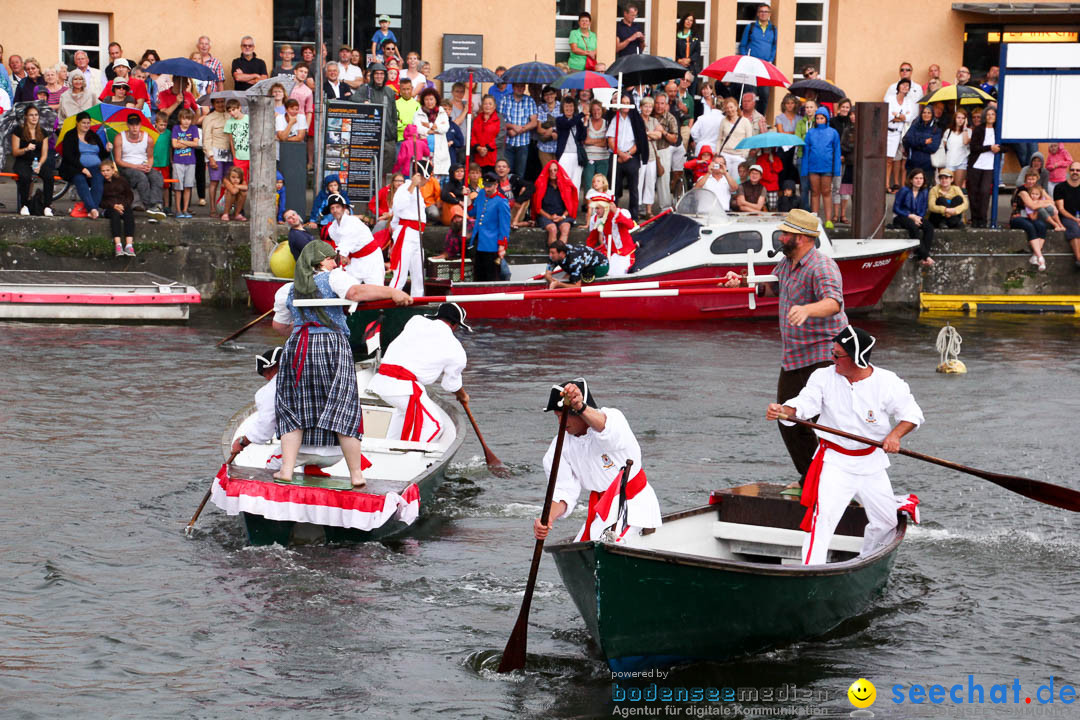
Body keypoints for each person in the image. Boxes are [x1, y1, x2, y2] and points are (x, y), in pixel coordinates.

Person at [766, 326, 924, 565]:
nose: (832, 359)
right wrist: (785, 411)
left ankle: (866, 559)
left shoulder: (888, 382)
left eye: (838, 355)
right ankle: (811, 572)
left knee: (887, 523)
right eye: (832, 352)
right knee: (822, 521)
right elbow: (805, 403)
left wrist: (895, 436)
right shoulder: (823, 377)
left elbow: (912, 415)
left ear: (857, 358)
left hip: (871, 463)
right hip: (835, 463)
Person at [724, 209, 848, 485]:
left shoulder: (822, 266)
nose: (781, 237)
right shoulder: (787, 262)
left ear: (803, 238)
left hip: (824, 354)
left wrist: (807, 310)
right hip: (795, 356)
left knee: (824, 423)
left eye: (786, 233)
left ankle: (834, 481)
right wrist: (743, 282)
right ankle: (813, 478)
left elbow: (834, 302)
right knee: (787, 417)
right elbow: (774, 289)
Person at [275, 241, 411, 486]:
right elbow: (355, 294)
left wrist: (305, 323)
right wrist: (392, 292)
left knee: (293, 407)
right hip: (331, 344)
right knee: (344, 404)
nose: (335, 263)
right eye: (331, 259)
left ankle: (286, 469)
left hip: (297, 347)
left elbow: (279, 326)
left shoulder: (286, 290)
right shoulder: (334, 277)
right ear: (320, 262)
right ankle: (356, 474)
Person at [532, 379, 662, 543]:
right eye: (557, 417)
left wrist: (581, 407)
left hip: (634, 507)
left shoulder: (613, 419)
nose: (561, 423)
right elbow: (564, 491)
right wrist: (547, 519)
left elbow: (607, 430)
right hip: (601, 511)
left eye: (564, 416)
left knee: (604, 552)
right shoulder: (560, 446)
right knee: (578, 553)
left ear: (580, 413)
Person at [366, 302, 469, 447]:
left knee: (402, 414)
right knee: (435, 426)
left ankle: (389, 447)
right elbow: (450, 385)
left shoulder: (415, 321)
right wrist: (462, 395)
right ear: (455, 325)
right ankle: (408, 459)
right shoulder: (456, 349)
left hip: (380, 382)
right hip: (403, 388)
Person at [325, 193, 385, 287]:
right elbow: (339, 245)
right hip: (354, 261)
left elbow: (343, 248)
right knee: (347, 288)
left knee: (377, 289)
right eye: (332, 208)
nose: (335, 210)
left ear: (344, 208)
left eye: (338, 207)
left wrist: (327, 262)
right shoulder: (332, 228)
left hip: (371, 259)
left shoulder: (352, 222)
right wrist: (345, 257)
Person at [113, 114, 166, 219]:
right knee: (141, 177)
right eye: (132, 125)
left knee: (157, 176)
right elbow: (118, 160)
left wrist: (149, 166)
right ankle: (149, 205)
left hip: (143, 165)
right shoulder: (119, 138)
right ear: (127, 125)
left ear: (140, 125)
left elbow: (150, 157)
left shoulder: (148, 138)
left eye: (137, 125)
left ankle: (157, 205)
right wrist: (136, 166)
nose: (134, 128)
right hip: (126, 166)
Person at [60, 111, 109, 219]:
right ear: (77, 123)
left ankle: (92, 209)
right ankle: (92, 209)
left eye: (88, 123)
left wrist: (107, 149)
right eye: (84, 123)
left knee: (98, 179)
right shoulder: (70, 135)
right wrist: (82, 169)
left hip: (96, 166)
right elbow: (68, 156)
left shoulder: (93, 135)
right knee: (80, 179)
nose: (86, 125)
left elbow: (102, 154)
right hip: (75, 167)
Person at [607, 93, 648, 220]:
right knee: (613, 187)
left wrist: (628, 154)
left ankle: (634, 217)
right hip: (617, 156)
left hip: (632, 156)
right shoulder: (615, 118)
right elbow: (610, 140)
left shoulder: (636, 119)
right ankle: (613, 215)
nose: (625, 106)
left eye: (627, 103)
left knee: (633, 188)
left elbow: (639, 141)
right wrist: (619, 154)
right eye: (622, 103)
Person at [389, 167, 427, 296]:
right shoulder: (405, 188)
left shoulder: (419, 191)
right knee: (400, 273)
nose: (427, 181)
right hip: (406, 234)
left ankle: (417, 301)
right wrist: (411, 186)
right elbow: (398, 207)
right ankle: (388, 301)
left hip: (417, 235)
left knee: (419, 275)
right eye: (426, 178)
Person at [801, 106, 841, 226]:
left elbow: (837, 152)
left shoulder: (833, 133)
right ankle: (815, 219)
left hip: (827, 167)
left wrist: (836, 170)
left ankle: (828, 220)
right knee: (814, 192)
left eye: (821, 118)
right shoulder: (810, 133)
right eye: (817, 118)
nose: (819, 120)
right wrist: (804, 169)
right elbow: (806, 152)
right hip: (813, 167)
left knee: (826, 192)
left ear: (826, 118)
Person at [12, 105, 54, 217]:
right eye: (31, 115)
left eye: (36, 115)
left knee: (49, 176)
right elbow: (15, 152)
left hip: (37, 161)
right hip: (23, 160)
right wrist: (26, 149)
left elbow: (44, 154)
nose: (34, 117)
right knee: (25, 176)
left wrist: (39, 164)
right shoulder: (18, 130)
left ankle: (47, 206)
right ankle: (24, 205)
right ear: (26, 117)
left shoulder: (43, 132)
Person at [470, 171, 512, 281]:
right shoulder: (482, 194)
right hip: (479, 240)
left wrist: (502, 245)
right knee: (478, 274)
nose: (487, 189)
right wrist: (467, 199)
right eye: (485, 185)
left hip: (492, 243)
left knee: (491, 275)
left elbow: (504, 226)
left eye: (489, 186)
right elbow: (473, 210)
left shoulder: (501, 201)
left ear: (496, 185)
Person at [738, 3, 778, 113]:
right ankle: (747, 119)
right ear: (757, 14)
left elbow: (774, 47)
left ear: (769, 14)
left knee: (764, 95)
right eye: (761, 11)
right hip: (751, 67)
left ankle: (760, 119)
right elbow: (742, 45)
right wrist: (746, 59)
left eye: (766, 12)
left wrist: (770, 60)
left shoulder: (773, 29)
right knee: (749, 95)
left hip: (765, 67)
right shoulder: (750, 27)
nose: (763, 14)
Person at [892, 168, 935, 267]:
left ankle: (921, 258)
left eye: (921, 178)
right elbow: (896, 208)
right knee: (913, 227)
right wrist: (911, 216)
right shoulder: (904, 190)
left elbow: (924, 208)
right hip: (902, 217)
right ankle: (925, 256)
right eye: (916, 178)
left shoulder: (924, 191)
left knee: (929, 227)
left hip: (917, 217)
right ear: (911, 180)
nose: (919, 180)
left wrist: (918, 218)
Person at [966, 106, 999, 228]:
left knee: (985, 192)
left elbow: (1005, 147)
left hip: (989, 167)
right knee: (973, 192)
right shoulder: (979, 129)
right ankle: (975, 219)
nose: (990, 116)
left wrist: (998, 148)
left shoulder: (998, 129)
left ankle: (983, 219)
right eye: (988, 114)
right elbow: (974, 147)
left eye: (993, 114)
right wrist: (989, 148)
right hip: (976, 165)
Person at [533, 161, 578, 246]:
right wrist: (549, 217)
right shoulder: (541, 185)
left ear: (559, 171)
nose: (553, 172)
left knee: (565, 228)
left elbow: (570, 206)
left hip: (562, 215)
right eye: (550, 170)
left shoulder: (566, 185)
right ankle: (554, 254)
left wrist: (562, 217)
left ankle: (559, 254)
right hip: (546, 215)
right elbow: (537, 207)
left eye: (555, 170)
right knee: (552, 229)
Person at [99, 160, 137, 257]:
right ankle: (118, 245)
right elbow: (100, 201)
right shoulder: (100, 183)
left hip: (123, 205)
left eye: (107, 170)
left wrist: (123, 205)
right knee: (114, 215)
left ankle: (129, 245)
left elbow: (129, 196)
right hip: (108, 207)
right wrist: (113, 206)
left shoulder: (122, 180)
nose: (105, 173)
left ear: (113, 170)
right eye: (103, 171)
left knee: (129, 214)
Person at [413, 87, 451, 178]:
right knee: (424, 174)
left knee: (438, 176)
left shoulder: (442, 112)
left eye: (431, 99)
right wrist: (430, 130)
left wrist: (429, 125)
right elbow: (417, 128)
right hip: (424, 149)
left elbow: (445, 128)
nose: (429, 102)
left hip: (439, 149)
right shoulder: (418, 113)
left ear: (436, 100)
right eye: (426, 99)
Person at [886, 79, 915, 192]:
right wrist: (900, 116)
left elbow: (909, 117)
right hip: (890, 132)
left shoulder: (909, 101)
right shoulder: (890, 99)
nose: (905, 87)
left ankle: (900, 185)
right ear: (898, 86)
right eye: (903, 85)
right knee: (888, 160)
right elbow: (888, 115)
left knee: (902, 160)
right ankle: (886, 184)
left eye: (907, 86)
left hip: (902, 133)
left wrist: (897, 116)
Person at [170, 108, 200, 218]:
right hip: (178, 161)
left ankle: (185, 209)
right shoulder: (176, 128)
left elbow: (196, 144)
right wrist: (189, 143)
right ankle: (178, 210)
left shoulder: (194, 128)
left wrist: (181, 141)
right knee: (178, 187)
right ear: (180, 119)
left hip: (191, 161)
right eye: (184, 119)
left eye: (189, 119)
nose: (186, 121)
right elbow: (174, 145)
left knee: (188, 186)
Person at [1052, 161, 1080, 271]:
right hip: (1066, 217)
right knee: (1074, 228)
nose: (1075, 172)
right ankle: (1078, 259)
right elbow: (1061, 209)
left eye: (1078, 170)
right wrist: (1076, 219)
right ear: (1069, 171)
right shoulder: (1060, 187)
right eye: (1073, 170)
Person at [902, 105, 942, 174]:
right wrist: (924, 142)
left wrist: (915, 145)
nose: (926, 115)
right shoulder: (914, 127)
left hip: (928, 166)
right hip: (912, 164)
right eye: (924, 112)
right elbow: (907, 140)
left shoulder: (936, 130)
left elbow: (933, 148)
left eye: (929, 113)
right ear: (921, 114)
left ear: (932, 115)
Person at [942, 110, 971, 190]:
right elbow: (942, 148)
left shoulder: (969, 131)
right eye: (958, 117)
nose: (960, 120)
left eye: (963, 118)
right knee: (948, 187)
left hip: (962, 162)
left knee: (957, 188)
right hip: (949, 162)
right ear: (954, 118)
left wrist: (965, 127)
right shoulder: (948, 131)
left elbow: (965, 142)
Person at [471, 94, 500, 171]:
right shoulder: (477, 119)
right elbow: (472, 135)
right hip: (478, 156)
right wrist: (478, 147)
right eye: (485, 104)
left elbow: (501, 137)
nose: (487, 106)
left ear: (494, 106)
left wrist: (487, 148)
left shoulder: (499, 119)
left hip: (493, 157)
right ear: (482, 106)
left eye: (490, 104)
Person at [224, 98, 251, 182]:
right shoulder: (229, 122)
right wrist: (234, 156)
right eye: (229, 111)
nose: (232, 113)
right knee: (242, 179)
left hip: (251, 155)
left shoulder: (248, 118)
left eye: (233, 110)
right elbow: (231, 140)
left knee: (253, 179)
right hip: (239, 156)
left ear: (239, 108)